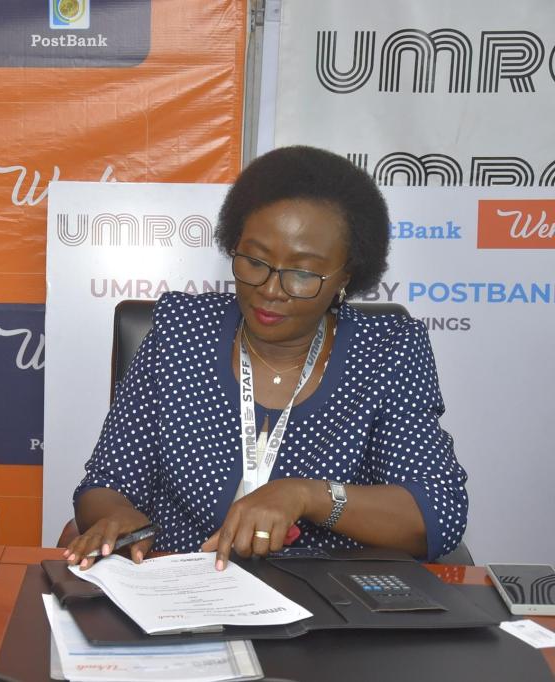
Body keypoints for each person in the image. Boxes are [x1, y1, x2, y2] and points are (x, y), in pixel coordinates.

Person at [65, 146, 468, 569]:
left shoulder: (388, 350)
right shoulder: (180, 330)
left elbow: (436, 513)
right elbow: (106, 483)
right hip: (181, 592)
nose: (271, 289)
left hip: (328, 608)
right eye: (255, 260)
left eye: (303, 272)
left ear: (345, 276)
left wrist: (306, 495)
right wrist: (116, 517)